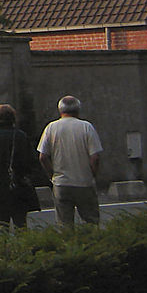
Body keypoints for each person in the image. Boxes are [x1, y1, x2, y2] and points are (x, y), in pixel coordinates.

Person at [37, 95, 103, 226]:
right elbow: (95, 157)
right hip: (84, 182)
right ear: (78, 110)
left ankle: (67, 244)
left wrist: (52, 175)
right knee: (91, 222)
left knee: (64, 224)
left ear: (60, 110)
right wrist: (92, 174)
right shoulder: (86, 127)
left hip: (61, 183)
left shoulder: (51, 127)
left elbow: (43, 156)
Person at [0, 103, 41, 232]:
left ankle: (3, 252)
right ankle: (23, 251)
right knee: (21, 227)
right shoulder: (21, 136)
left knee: (0, 231)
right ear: (13, 119)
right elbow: (31, 162)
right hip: (18, 190)